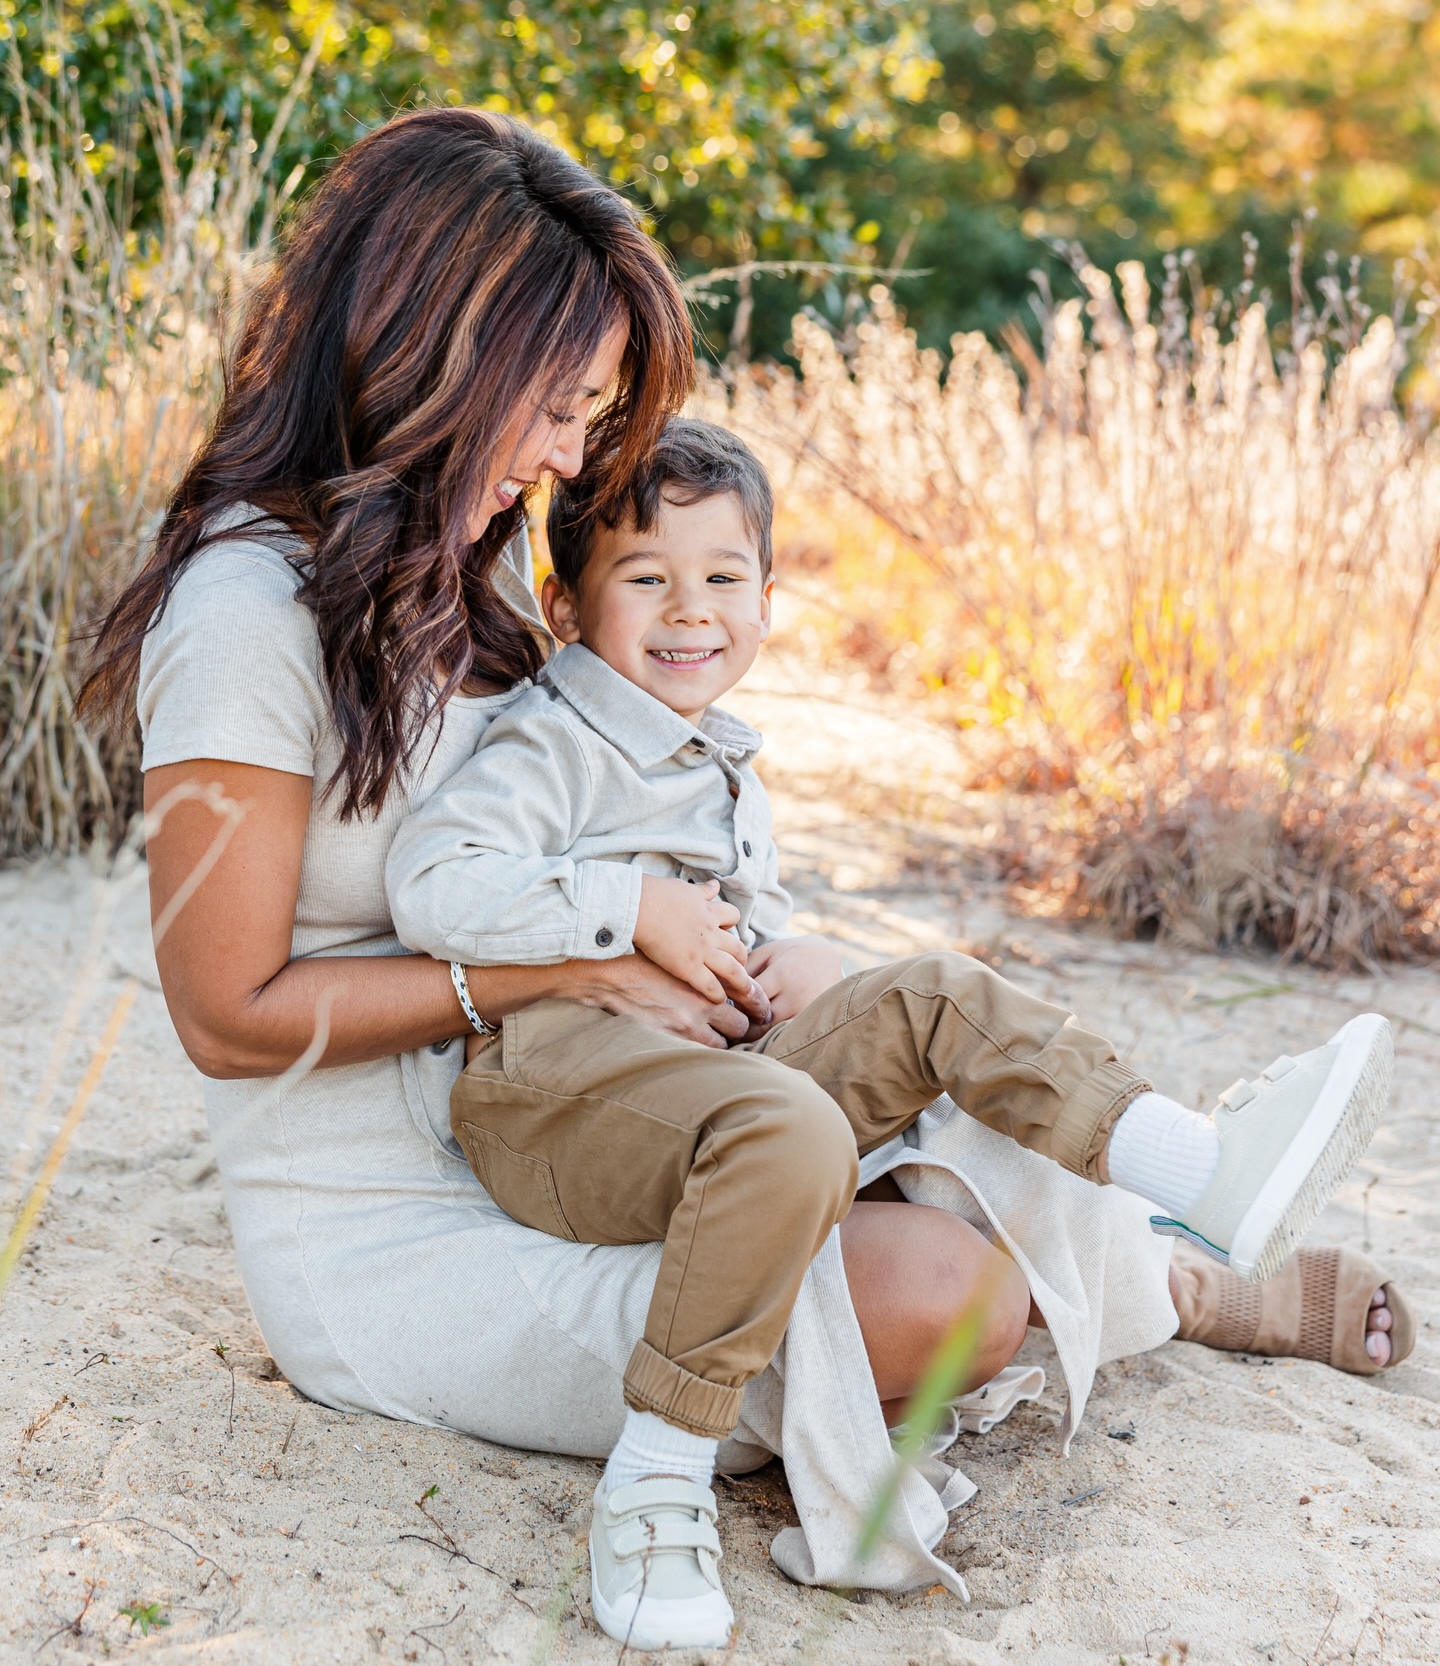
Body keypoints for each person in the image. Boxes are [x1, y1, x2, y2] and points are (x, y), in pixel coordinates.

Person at [76, 109, 1412, 1645]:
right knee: (940, 1289)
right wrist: (569, 964)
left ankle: (1187, 1218)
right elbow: (228, 1015)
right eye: (561, 408)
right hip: (403, 1221)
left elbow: (617, 835)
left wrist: (747, 958)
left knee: (921, 1040)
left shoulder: (464, 574)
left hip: (602, 1101)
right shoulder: (248, 611)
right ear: (443, 349)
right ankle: (1170, 1290)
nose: (572, 461)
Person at [386, 417, 1408, 1649]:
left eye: (721, 580)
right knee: (784, 1115)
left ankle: (1194, 1175)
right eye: (645, 579)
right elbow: (434, 883)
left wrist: (779, 963)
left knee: (933, 991)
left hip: (703, 1080)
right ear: (565, 603)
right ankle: (657, 1480)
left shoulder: (724, 762)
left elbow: (733, 938)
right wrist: (633, 912)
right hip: (555, 1094)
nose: (688, 612)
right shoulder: (563, 738)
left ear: (770, 601)